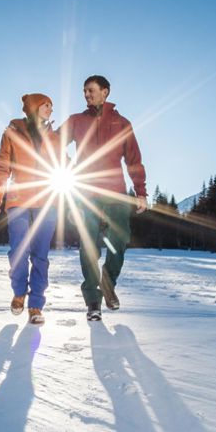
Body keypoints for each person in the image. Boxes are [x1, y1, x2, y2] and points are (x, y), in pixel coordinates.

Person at [59, 75, 147, 321]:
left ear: (105, 92)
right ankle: (93, 301)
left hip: (115, 193)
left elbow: (134, 160)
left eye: (91, 91)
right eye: (84, 91)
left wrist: (140, 191)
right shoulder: (76, 121)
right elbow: (53, 144)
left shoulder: (122, 123)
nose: (86, 95)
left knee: (119, 241)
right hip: (85, 195)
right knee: (88, 247)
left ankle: (108, 282)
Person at [0, 93, 59, 325]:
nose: (51, 109)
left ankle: (36, 305)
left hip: (47, 201)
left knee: (41, 255)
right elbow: (3, 166)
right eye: (46, 105)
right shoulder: (12, 132)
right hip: (18, 199)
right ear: (33, 107)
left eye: (51, 106)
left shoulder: (54, 136)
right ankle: (19, 292)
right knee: (18, 250)